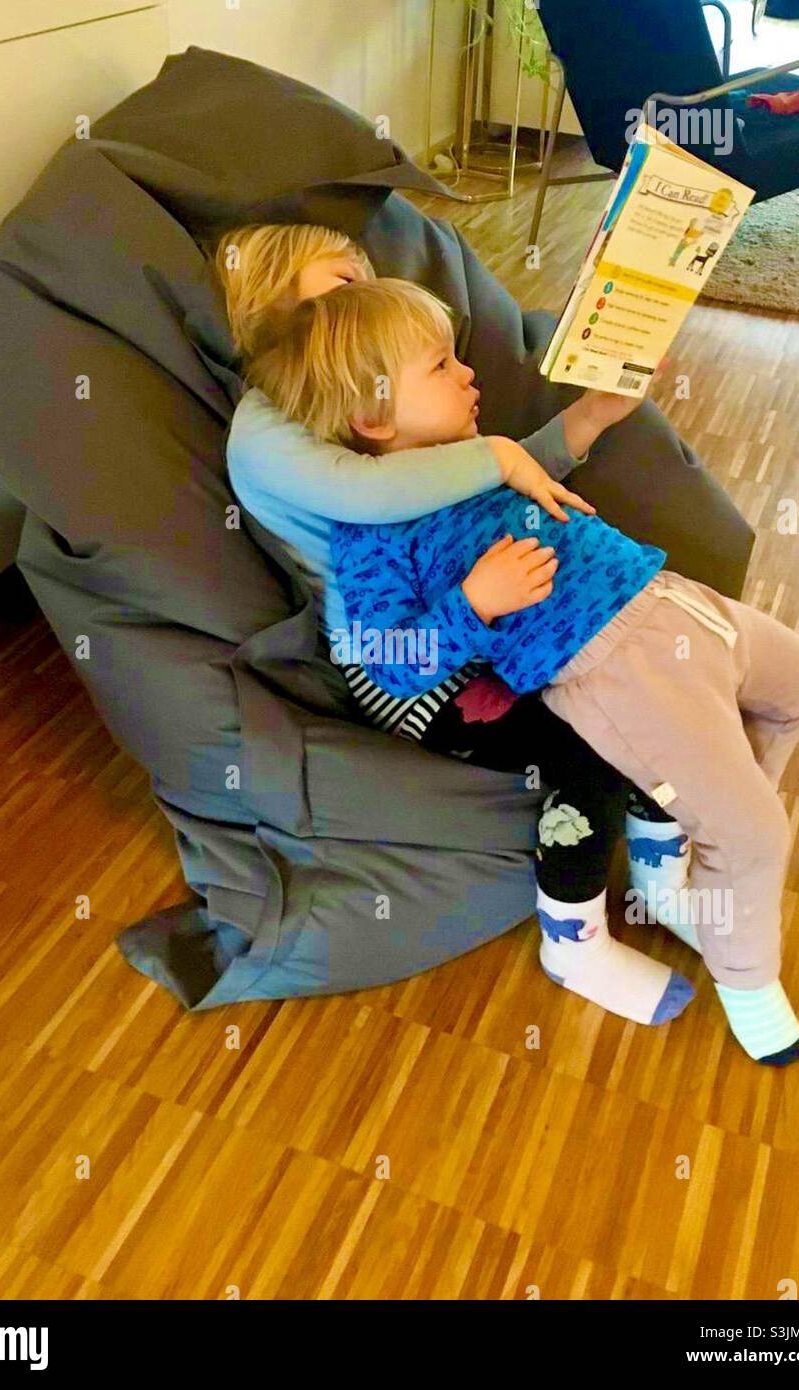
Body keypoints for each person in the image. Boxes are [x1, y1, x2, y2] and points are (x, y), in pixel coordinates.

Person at [244, 276, 799, 1067]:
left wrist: (595, 414)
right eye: (441, 367)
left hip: (672, 600)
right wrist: (475, 606)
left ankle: (680, 858)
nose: (469, 375)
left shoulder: (467, 457)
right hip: (616, 663)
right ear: (374, 418)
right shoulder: (372, 536)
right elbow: (388, 659)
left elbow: (538, 465)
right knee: (756, 832)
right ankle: (748, 980)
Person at [219, 222, 696, 1031]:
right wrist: (499, 484)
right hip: (415, 657)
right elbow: (392, 510)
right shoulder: (282, 434)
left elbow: (479, 483)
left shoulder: (392, 406)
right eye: (344, 288)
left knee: (646, 694)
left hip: (493, 616)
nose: (367, 296)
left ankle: (662, 882)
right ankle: (572, 940)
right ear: (284, 319)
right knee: (591, 741)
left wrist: (584, 421)